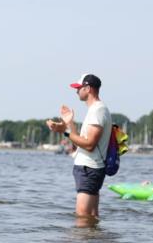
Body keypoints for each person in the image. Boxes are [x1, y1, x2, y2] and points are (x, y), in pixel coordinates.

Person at [45, 73, 111, 219]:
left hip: (89, 169)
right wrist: (69, 124)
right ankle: (91, 242)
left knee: (83, 217)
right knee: (91, 216)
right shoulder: (96, 110)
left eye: (79, 88)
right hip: (90, 168)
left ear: (87, 89)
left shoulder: (97, 110)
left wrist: (65, 132)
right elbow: (81, 142)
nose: (76, 91)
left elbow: (89, 145)